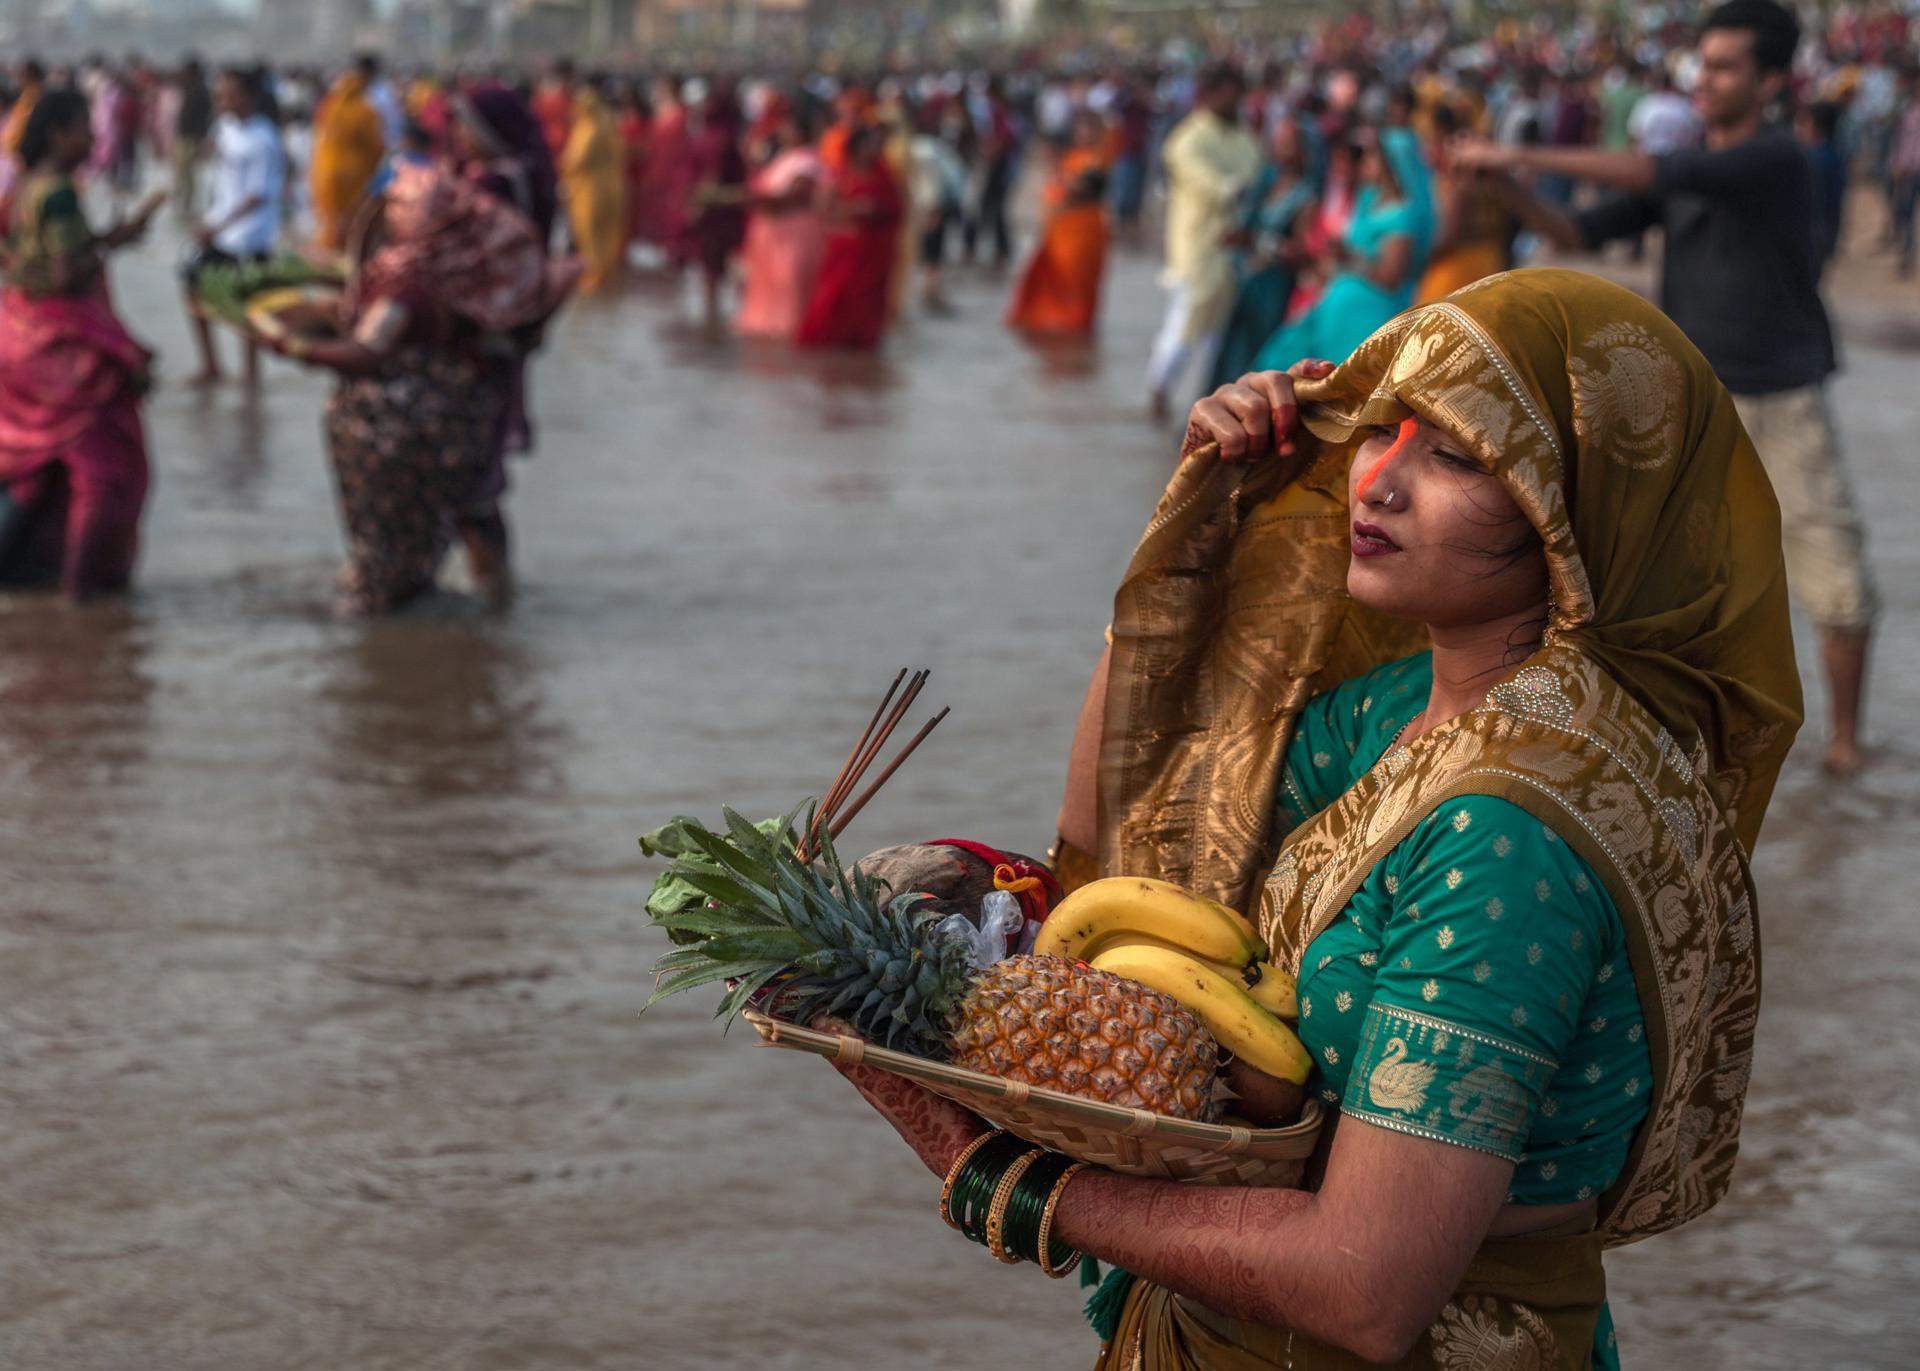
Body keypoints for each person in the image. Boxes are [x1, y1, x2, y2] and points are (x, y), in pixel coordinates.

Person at [838, 268, 1799, 1370]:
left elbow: (1366, 1287)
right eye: (1380, 429)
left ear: (1574, 510)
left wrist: (999, 1178)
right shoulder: (1418, 707)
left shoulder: (1507, 828)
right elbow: (1140, 826)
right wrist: (1202, 517)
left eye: (1457, 457)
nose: (1375, 482)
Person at [1458, 0, 1876, 777]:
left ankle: (1846, 741)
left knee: (1834, 570)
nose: (1703, 81)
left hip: (1780, 397)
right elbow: (1577, 234)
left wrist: (1519, 152)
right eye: (1701, 65)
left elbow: (1653, 171)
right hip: (1695, 403)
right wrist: (1508, 188)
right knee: (1673, 579)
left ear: (1771, 82)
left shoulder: (1775, 158)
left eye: (1723, 67)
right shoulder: (1690, 164)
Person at [257, 163, 569, 616]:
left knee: (389, 552)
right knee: (457, 518)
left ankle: (397, 619)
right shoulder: (460, 266)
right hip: (460, 421)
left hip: (399, 433)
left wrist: (291, 345)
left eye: (396, 209)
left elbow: (368, 352)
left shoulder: (406, 279)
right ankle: (492, 608)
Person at [0, 88, 162, 600]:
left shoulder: (24, 187)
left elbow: (23, 260)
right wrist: (117, 241)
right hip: (64, 346)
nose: (92, 140)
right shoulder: (59, 193)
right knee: (105, 468)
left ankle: (34, 578)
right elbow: (67, 273)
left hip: (21, 330)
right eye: (83, 130)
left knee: (37, 466)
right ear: (56, 134)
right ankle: (84, 589)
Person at [1252, 125, 1433, 371]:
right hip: (1337, 296)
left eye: (1373, 155)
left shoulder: (1403, 214)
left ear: (1389, 163)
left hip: (1370, 309)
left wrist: (1349, 258)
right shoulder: (1369, 198)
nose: (1366, 161)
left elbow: (1389, 277)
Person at [1146, 64, 1262, 419]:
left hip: (1237, 251)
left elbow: (1258, 176)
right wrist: (1244, 189)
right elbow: (1213, 185)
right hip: (1198, 249)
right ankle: (1159, 392)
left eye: (1238, 94)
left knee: (1219, 337)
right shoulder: (1187, 140)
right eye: (1228, 93)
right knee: (1184, 328)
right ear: (1209, 94)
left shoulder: (1244, 138)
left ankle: (1210, 404)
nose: (1235, 101)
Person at [181, 68, 286, 388]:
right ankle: (211, 365)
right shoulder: (225, 127)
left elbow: (258, 194)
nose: (222, 101)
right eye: (219, 95)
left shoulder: (264, 137)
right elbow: (215, 164)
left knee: (249, 304)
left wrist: (217, 227)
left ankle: (251, 375)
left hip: (250, 233)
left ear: (248, 97)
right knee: (192, 286)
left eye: (229, 95)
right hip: (221, 227)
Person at [1204, 113, 1322, 389]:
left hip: (1274, 286)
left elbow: (1300, 251)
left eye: (1290, 143)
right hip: (1247, 281)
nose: (1282, 149)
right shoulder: (1266, 181)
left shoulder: (1305, 196)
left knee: (1256, 356)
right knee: (1230, 352)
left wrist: (1256, 241)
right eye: (1279, 141)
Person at [1006, 109, 1112, 338]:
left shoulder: (1097, 158)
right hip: (1060, 229)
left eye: (1088, 128)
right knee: (1052, 278)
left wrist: (1065, 183)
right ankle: (1058, 328)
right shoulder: (1071, 156)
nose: (1083, 133)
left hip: (1084, 230)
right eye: (1080, 128)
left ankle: (1077, 328)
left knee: (1077, 282)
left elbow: (1088, 188)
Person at [796, 125, 903, 350]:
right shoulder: (840, 174)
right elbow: (822, 208)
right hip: (845, 248)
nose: (875, 148)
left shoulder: (884, 175)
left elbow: (896, 208)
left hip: (874, 251)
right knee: (835, 296)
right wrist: (853, 211)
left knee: (867, 302)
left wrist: (873, 210)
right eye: (869, 144)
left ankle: (861, 346)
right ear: (857, 147)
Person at [734, 102, 825, 342]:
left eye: (788, 127)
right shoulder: (784, 157)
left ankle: (794, 335)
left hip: (794, 234)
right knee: (770, 285)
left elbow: (796, 195)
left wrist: (757, 199)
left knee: (791, 284)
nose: (783, 131)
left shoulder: (808, 161)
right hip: (773, 233)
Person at [1413, 104, 1513, 303]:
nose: (1426, 151)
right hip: (1487, 261)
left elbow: (1446, 237)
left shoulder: (1461, 183)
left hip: (1458, 270)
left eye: (1431, 141)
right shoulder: (1481, 178)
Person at [679, 84, 748, 330]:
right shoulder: (722, 135)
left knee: (715, 267)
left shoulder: (718, 138)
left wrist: (697, 206)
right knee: (715, 267)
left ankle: (714, 320)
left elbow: (713, 175)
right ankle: (715, 320)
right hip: (716, 208)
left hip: (715, 209)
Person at [309, 55, 386, 253]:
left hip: (326, 174)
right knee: (353, 227)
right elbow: (377, 147)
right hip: (353, 177)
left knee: (331, 224)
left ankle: (331, 258)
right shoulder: (365, 111)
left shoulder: (329, 106)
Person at [560, 81, 626, 296]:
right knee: (606, 232)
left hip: (591, 189)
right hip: (610, 184)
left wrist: (562, 170)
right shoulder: (607, 123)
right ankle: (605, 270)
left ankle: (595, 273)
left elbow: (577, 160)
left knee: (590, 232)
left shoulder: (589, 128)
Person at [170, 56, 213, 223]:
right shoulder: (190, 89)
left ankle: (187, 207)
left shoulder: (200, 92)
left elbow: (205, 118)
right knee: (182, 174)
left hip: (191, 139)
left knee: (187, 175)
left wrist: (200, 139)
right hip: (184, 138)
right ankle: (182, 205)